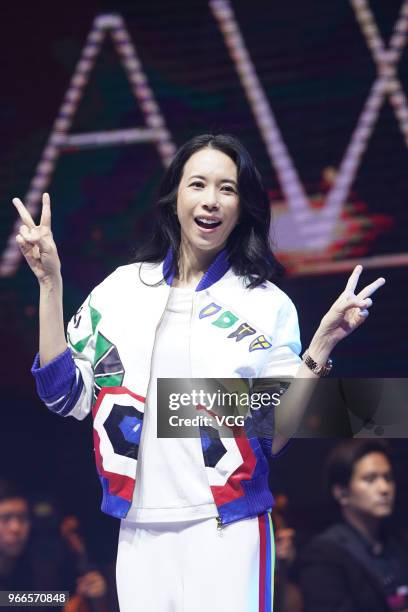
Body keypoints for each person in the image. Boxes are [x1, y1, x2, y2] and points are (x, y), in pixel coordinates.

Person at [13, 133, 385, 611]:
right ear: (175, 197)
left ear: (242, 204)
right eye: (198, 184)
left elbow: (275, 434)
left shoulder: (266, 305)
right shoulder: (122, 290)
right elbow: (63, 394)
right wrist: (50, 284)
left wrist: (322, 343)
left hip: (226, 526)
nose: (211, 201)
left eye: (227, 188)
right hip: (139, 530)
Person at [298, 440, 408, 611]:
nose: (384, 488)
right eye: (370, 479)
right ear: (342, 493)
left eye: (388, 477)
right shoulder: (324, 554)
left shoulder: (399, 543)